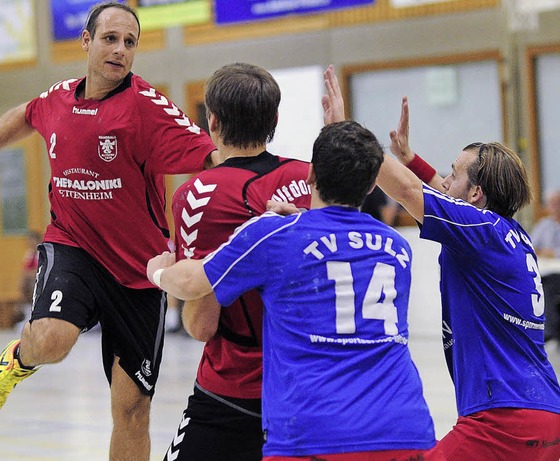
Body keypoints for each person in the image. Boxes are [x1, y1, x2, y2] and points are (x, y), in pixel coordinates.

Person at [0, 2, 218, 459]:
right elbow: (27, 114)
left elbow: (211, 157)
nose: (120, 50)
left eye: (130, 42)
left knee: (131, 412)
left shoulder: (148, 109)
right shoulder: (59, 98)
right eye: (110, 38)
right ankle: (17, 360)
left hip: (140, 272)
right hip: (74, 247)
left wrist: (263, 184)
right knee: (51, 340)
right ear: (86, 42)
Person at [147, 120, 442, 461]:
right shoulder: (396, 247)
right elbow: (341, 247)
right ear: (372, 183)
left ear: (311, 175)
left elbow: (189, 282)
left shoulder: (277, 235)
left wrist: (157, 272)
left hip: (313, 434)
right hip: (405, 429)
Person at [373, 96, 560, 460]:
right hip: (545, 412)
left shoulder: (478, 231)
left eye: (453, 174)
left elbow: (410, 192)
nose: (443, 181)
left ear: (476, 194)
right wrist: (410, 159)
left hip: (502, 418)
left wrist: (347, 137)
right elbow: (439, 190)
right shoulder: (510, 234)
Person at [163, 62, 322, 461]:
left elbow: (201, 325)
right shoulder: (312, 179)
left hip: (234, 390)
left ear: (211, 121)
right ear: (275, 119)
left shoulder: (198, 196)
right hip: (310, 384)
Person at [530, 190, 560, 344]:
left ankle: (550, 331)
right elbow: (531, 247)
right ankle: (548, 330)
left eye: (557, 204)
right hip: (546, 271)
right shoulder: (543, 225)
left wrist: (552, 252)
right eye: (552, 204)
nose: (555, 207)